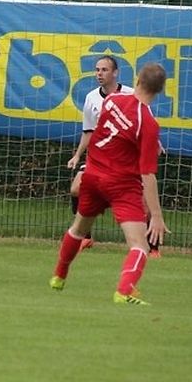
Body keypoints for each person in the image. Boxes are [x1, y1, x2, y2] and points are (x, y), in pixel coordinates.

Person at [49, 62, 171, 306]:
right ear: (160, 90)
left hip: (93, 176)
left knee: (78, 229)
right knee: (139, 246)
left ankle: (59, 276)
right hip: (121, 184)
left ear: (138, 80)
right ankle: (124, 291)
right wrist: (156, 216)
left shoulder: (112, 101)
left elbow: (107, 133)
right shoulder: (148, 123)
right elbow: (147, 174)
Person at [66, 55, 134, 253]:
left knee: (141, 199)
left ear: (115, 73)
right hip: (99, 156)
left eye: (104, 70)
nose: (99, 74)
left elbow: (143, 121)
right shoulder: (91, 98)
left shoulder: (130, 95)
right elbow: (88, 131)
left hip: (124, 157)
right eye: (97, 70)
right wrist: (77, 155)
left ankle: (152, 247)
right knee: (76, 189)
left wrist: (153, 142)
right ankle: (85, 237)